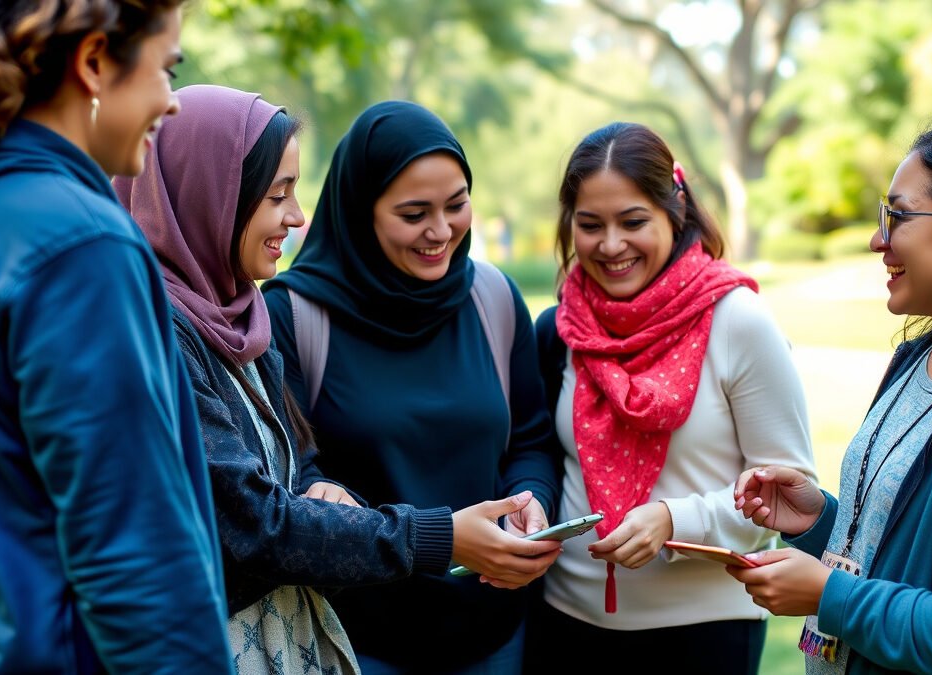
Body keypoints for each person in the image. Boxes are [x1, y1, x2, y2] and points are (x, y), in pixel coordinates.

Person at [114, 85, 563, 675]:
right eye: (277, 195)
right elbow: (252, 519)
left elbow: (286, 458)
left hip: (479, 630)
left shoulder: (235, 318)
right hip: (323, 636)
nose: (297, 216)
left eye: (456, 204)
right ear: (211, 196)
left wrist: (529, 506)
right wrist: (437, 537)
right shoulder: (179, 332)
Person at [0, 2, 233, 673]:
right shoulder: (79, 243)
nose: (173, 103)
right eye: (169, 68)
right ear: (95, 61)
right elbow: (135, 554)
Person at [260, 100, 561, 673]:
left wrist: (532, 505)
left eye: (457, 205)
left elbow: (531, 439)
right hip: (359, 642)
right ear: (359, 210)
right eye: (414, 213)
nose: (441, 231)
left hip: (493, 634)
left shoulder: (492, 299)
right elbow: (291, 469)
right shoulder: (292, 316)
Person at [526, 122, 816, 674]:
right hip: (562, 624)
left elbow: (784, 493)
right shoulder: (560, 328)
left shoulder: (738, 321)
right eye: (590, 225)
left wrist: (674, 518)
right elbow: (545, 457)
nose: (611, 245)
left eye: (633, 222)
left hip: (703, 633)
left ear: (674, 210)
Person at [730, 119, 932, 675]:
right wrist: (819, 521)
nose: (876, 239)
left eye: (899, 216)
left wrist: (828, 597)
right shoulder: (915, 358)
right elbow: (900, 552)